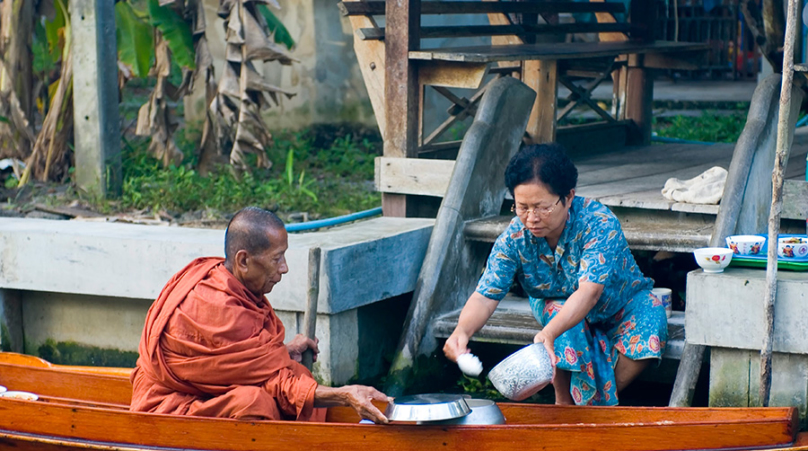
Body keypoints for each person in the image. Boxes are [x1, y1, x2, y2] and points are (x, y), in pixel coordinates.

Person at [443, 144, 668, 405]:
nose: (531, 218)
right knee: (560, 319)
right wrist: (462, 331)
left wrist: (547, 334)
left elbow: (589, 291)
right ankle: (564, 403)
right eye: (522, 207)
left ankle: (591, 405)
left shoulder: (599, 223)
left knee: (652, 315)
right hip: (555, 304)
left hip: (620, 302)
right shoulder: (514, 238)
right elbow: (485, 295)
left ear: (568, 197)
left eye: (542, 207)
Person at [130, 206, 390, 423]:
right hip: (164, 405)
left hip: (202, 387)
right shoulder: (219, 308)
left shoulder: (221, 274)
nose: (284, 268)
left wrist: (284, 352)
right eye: (277, 259)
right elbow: (266, 376)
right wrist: (345, 395)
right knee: (255, 403)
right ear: (243, 261)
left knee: (300, 375)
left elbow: (234, 362)